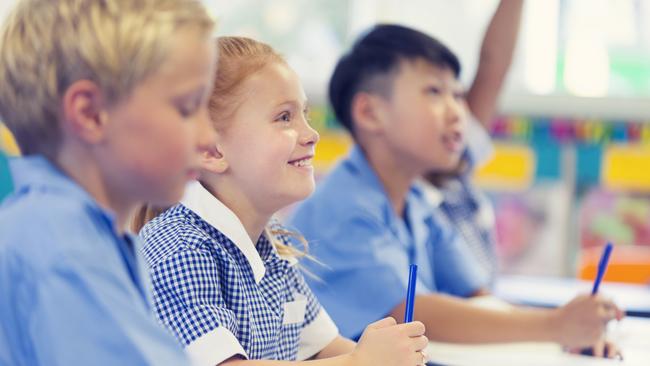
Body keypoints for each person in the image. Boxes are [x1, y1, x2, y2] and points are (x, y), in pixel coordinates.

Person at [289, 24, 623, 358]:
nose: (457, 112)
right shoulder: (343, 207)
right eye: (435, 92)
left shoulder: (416, 202)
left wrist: (566, 332)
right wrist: (553, 325)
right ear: (369, 112)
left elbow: (478, 296)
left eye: (458, 95)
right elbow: (414, 311)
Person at [133, 37, 428, 366]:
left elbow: (326, 348)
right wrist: (360, 363)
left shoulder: (271, 247)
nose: (311, 134)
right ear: (212, 150)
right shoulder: (178, 248)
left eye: (304, 114)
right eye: (284, 117)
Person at [0, 0, 217, 364]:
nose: (209, 136)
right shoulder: (62, 247)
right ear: (90, 114)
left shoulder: (77, 231)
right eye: (187, 107)